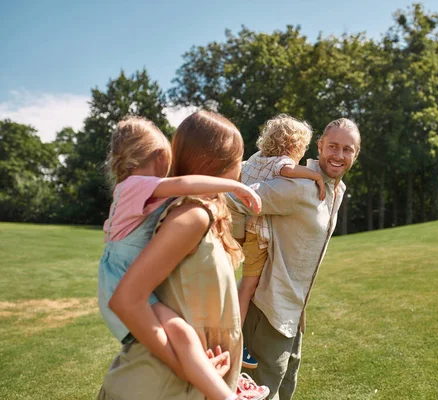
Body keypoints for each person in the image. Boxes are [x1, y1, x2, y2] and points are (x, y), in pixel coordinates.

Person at [97, 111, 269, 400]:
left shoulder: (201, 213)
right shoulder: (192, 215)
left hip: (185, 384)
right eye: (240, 158)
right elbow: (127, 299)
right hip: (160, 387)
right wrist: (190, 370)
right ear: (222, 162)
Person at [227, 118, 361, 399]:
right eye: (333, 146)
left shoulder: (336, 190)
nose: (338, 155)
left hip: (293, 315)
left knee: (284, 392)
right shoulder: (300, 186)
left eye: (347, 149)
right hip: (266, 311)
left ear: (355, 154)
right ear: (320, 146)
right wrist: (237, 235)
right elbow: (236, 196)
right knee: (256, 395)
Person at [236, 114, 325, 369]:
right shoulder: (280, 163)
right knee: (248, 287)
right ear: (293, 145)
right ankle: (235, 338)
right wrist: (315, 176)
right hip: (255, 236)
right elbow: (289, 170)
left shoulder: (255, 159)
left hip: (247, 232)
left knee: (248, 283)